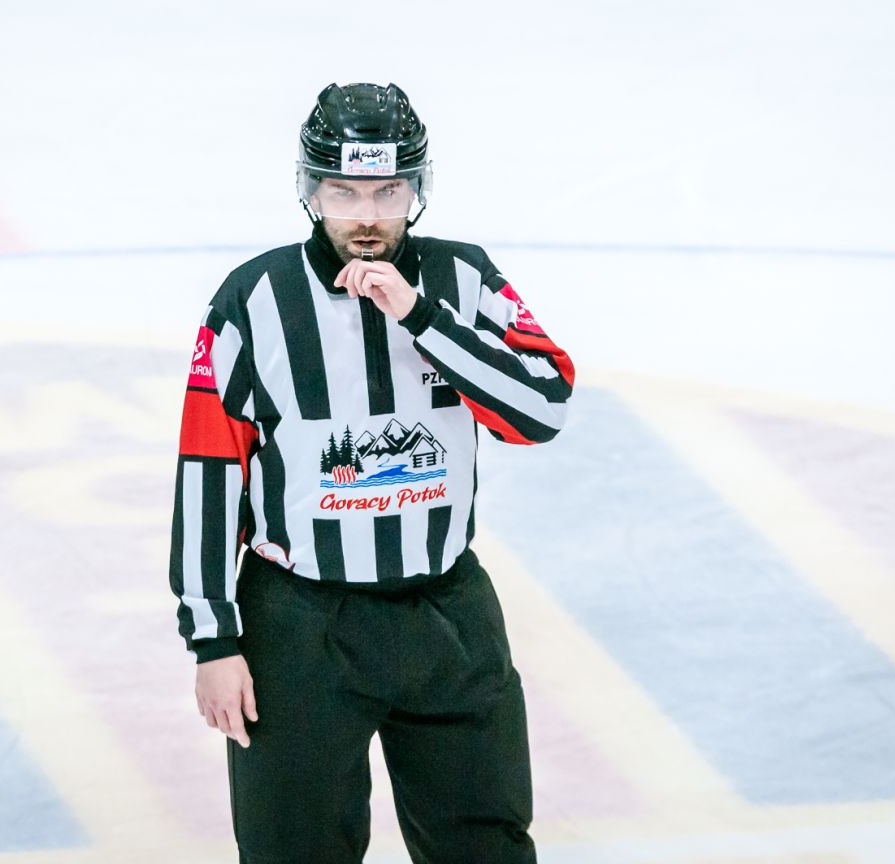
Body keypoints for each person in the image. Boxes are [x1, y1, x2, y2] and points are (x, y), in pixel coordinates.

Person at [168, 82, 574, 864]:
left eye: (388, 192)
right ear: (310, 190)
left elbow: (542, 409)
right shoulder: (253, 299)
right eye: (344, 192)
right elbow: (208, 470)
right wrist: (212, 641)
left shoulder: (464, 280)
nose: (366, 215)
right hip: (299, 626)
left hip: (447, 614)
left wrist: (419, 316)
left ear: (416, 189)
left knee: (484, 847)